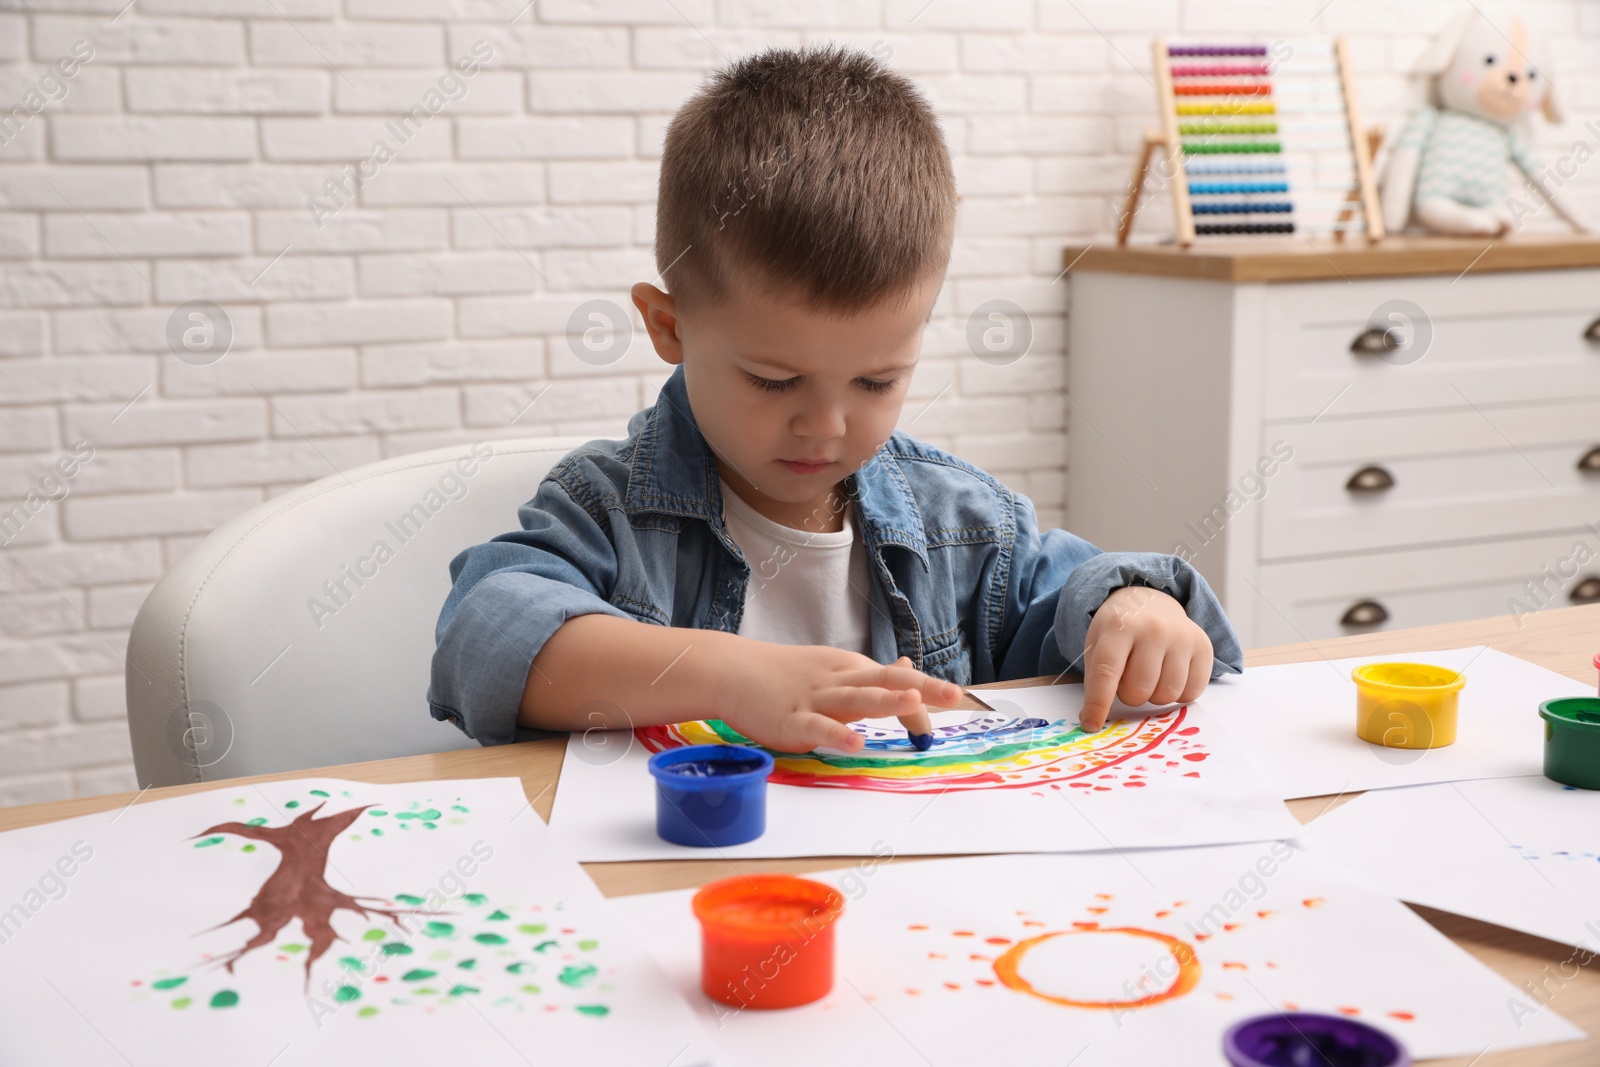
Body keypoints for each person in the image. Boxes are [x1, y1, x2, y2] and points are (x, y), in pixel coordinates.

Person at [429, 44, 1240, 754]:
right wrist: (728, 677)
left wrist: (1136, 607)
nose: (827, 425)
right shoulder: (606, 510)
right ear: (668, 325)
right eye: (774, 381)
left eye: (877, 382)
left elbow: (1072, 594)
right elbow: (484, 632)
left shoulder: (962, 521)